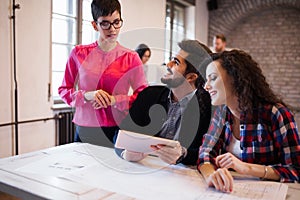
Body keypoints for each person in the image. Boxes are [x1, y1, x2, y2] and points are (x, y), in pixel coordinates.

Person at [198, 49, 300, 193]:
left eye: (213, 78)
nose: (206, 86)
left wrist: (247, 168)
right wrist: (211, 175)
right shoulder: (221, 113)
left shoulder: (276, 114)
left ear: (235, 78)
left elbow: (296, 170)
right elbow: (205, 155)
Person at [58, 0, 147, 147]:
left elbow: (143, 97)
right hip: (85, 127)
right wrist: (86, 95)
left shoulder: (131, 58)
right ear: (95, 25)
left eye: (116, 22)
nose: (112, 29)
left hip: (116, 129)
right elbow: (64, 90)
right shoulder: (78, 53)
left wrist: (115, 100)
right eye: (105, 23)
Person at [115, 40, 212, 165]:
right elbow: (121, 134)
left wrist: (183, 154)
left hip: (182, 177)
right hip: (143, 167)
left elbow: (208, 151)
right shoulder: (149, 95)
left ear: (191, 77)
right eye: (172, 59)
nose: (168, 64)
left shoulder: (208, 107)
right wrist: (124, 153)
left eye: (176, 62)